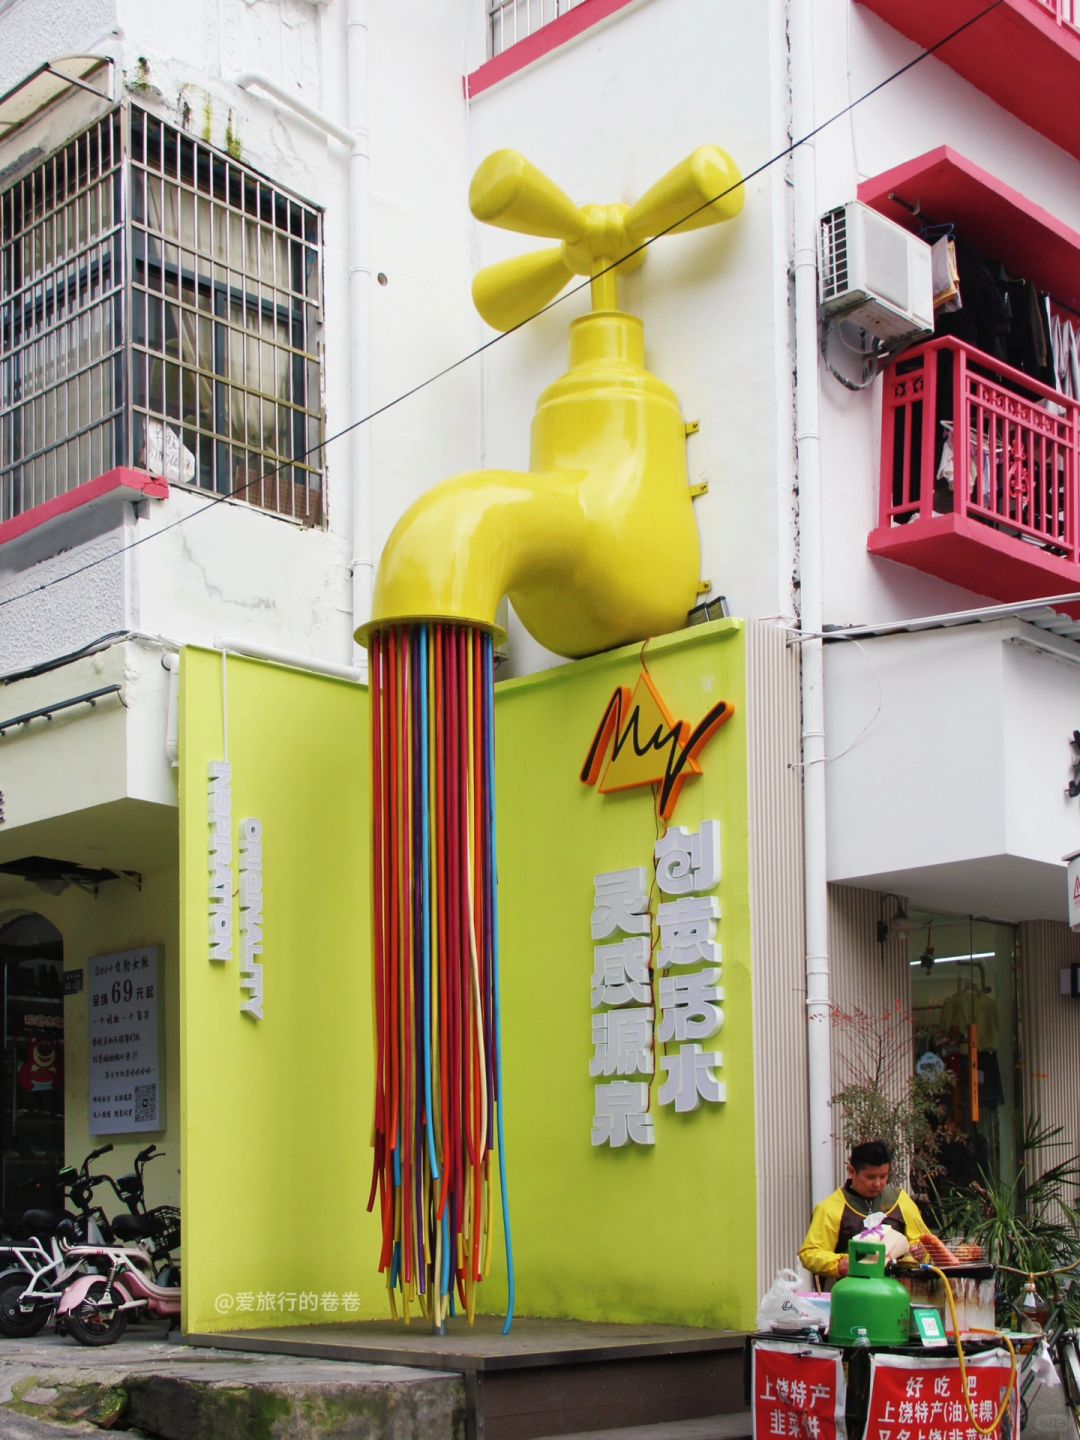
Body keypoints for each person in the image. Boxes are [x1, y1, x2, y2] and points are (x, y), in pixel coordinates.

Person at [799, 1140, 933, 1278]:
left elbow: (927, 1244)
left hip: (898, 1286)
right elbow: (810, 1253)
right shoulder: (830, 1208)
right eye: (870, 1177)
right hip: (851, 1287)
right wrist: (840, 1264)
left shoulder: (900, 1200)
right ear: (852, 1171)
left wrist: (920, 1251)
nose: (877, 1184)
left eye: (883, 1176)